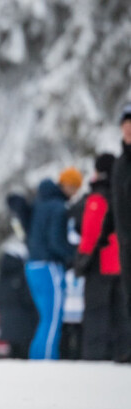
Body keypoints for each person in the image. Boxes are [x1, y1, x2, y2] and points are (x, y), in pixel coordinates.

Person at [75, 153, 131, 361]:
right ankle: (123, 355)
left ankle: (95, 359)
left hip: (101, 265)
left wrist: (82, 260)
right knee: (122, 316)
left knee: (96, 315)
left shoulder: (98, 197)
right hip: (123, 265)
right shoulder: (122, 193)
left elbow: (91, 231)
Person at [24, 167, 82, 360]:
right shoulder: (58, 207)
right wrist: (73, 254)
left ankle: (37, 357)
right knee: (53, 316)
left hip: (33, 265)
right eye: (74, 187)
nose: (75, 193)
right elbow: (56, 240)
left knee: (45, 317)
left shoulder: (40, 202)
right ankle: (47, 359)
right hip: (49, 266)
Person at [0, 238, 38, 359]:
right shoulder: (21, 274)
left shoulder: (2, 277)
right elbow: (28, 298)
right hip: (25, 324)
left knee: (13, 355)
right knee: (24, 357)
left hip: (8, 324)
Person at [111, 103, 131, 318]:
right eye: (125, 125)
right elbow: (115, 204)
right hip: (126, 243)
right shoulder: (119, 164)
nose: (128, 129)